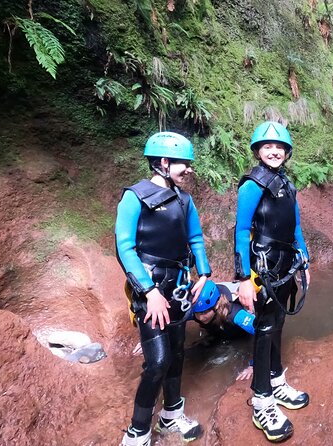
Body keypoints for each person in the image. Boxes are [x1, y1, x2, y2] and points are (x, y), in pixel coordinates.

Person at [115, 132, 211, 446]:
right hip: (151, 289)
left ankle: (172, 414)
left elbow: (195, 238)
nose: (190, 170)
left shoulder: (185, 200)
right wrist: (149, 292)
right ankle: (138, 431)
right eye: (184, 163)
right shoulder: (135, 196)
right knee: (156, 360)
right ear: (164, 162)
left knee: (177, 355)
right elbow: (125, 248)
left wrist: (204, 274)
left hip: (180, 286)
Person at [234, 121, 311, 443]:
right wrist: (243, 279)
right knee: (265, 329)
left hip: (285, 264)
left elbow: (294, 227)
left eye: (279, 147)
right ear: (257, 151)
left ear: (287, 152)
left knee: (277, 325)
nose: (274, 151)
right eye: (267, 146)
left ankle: (277, 381)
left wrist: (304, 259)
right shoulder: (252, 185)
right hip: (262, 267)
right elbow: (240, 231)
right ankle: (261, 399)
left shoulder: (286, 185)